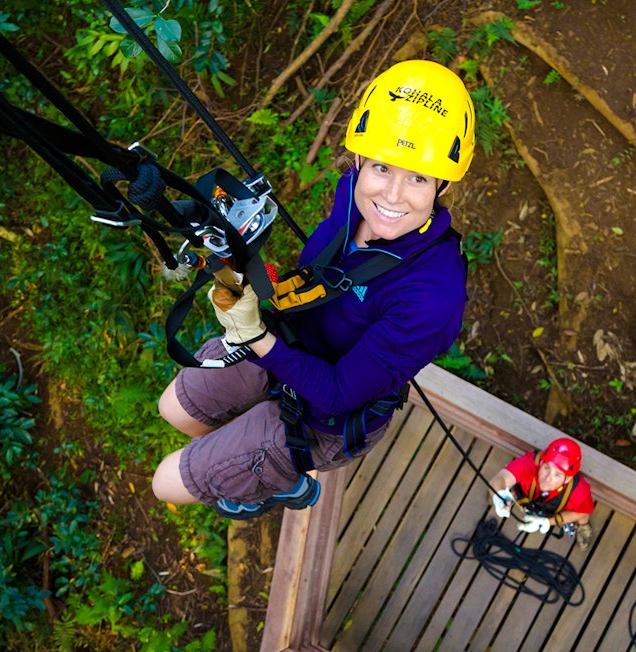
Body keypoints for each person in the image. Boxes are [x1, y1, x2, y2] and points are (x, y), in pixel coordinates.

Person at [150, 59, 476, 520]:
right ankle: (238, 453)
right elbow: (322, 278)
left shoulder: (432, 297)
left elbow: (340, 393)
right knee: (175, 410)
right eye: (382, 167)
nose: (393, 196)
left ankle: (275, 483)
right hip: (289, 343)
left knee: (165, 481)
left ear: (441, 184)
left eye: (418, 178)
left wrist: (255, 337)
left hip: (324, 418)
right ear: (360, 159)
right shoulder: (352, 197)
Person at [489, 437, 594, 539]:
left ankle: (583, 529)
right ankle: (500, 500)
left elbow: (582, 513)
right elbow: (500, 479)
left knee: (583, 517)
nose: (548, 478)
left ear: (567, 479)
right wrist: (498, 495)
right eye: (546, 468)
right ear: (541, 462)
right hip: (525, 496)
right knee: (499, 489)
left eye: (557, 475)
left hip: (554, 509)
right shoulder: (528, 463)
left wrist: (547, 522)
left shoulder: (579, 491)